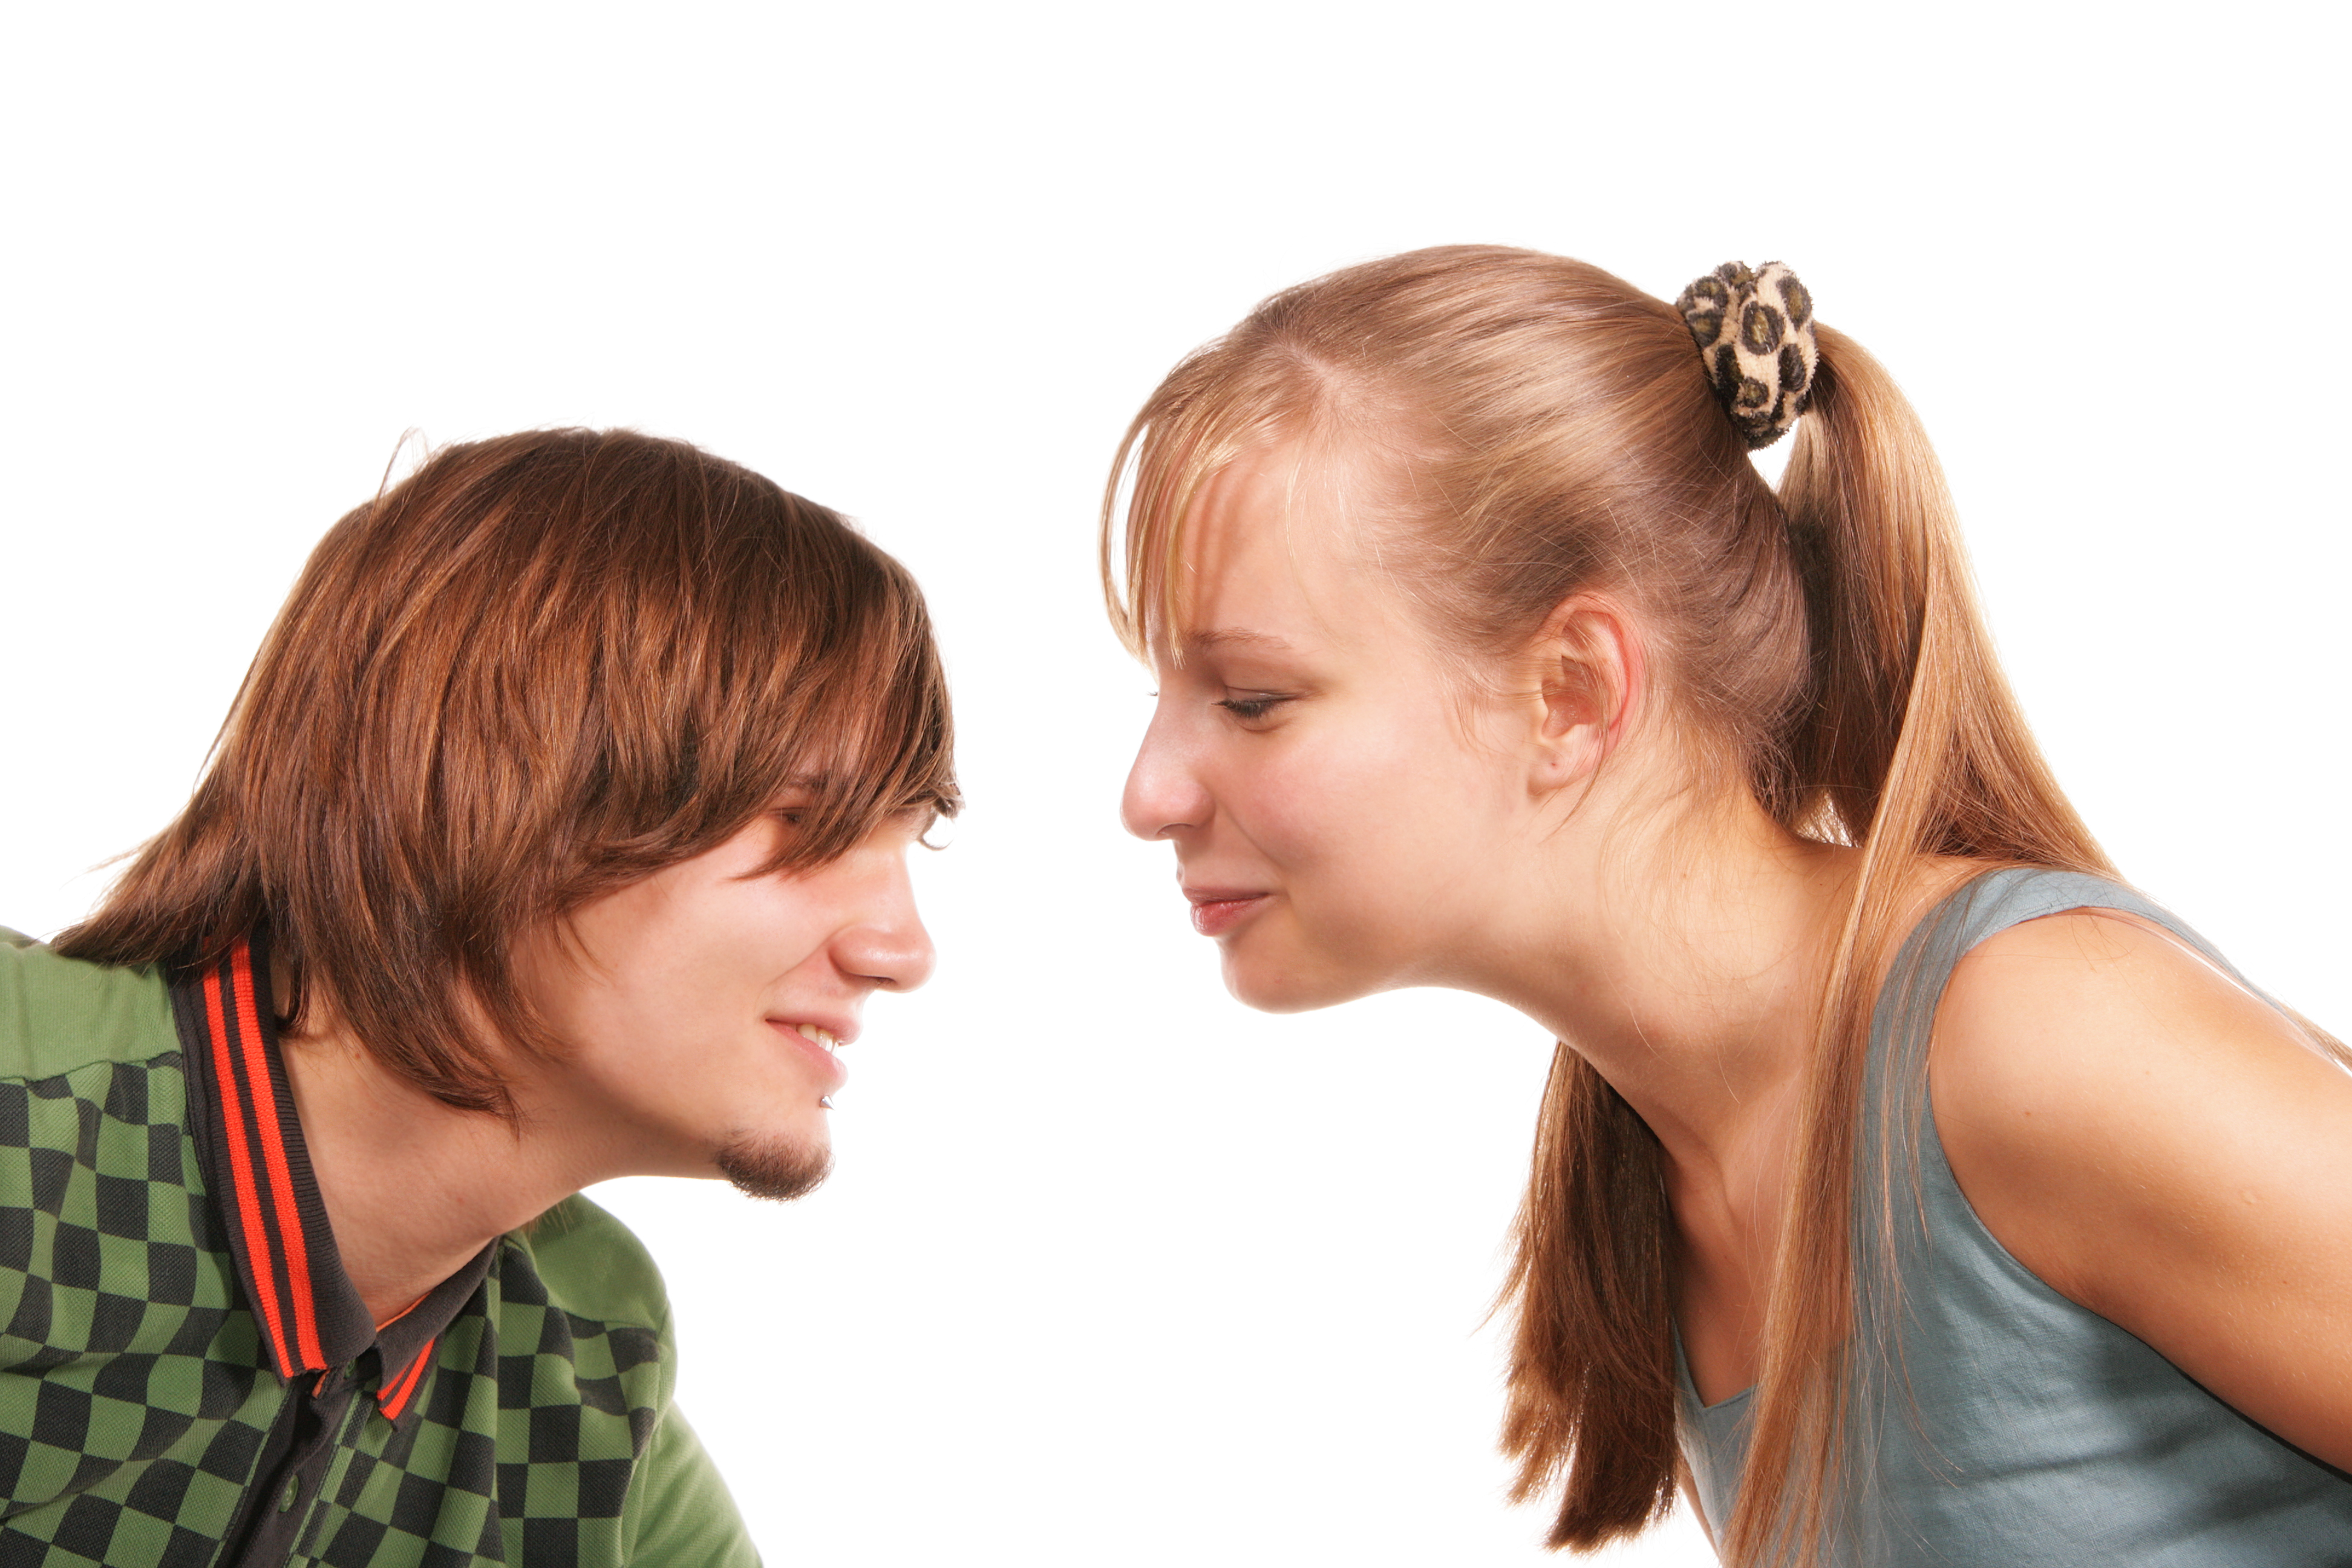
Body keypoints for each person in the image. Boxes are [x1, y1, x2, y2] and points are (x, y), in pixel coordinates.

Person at [1100, 249, 2352, 1564]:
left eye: (1253, 700)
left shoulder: (2029, 1039)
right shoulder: (1657, 1192)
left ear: (1572, 693)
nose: (1147, 793)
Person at [1, 428, 954, 1567]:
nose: (902, 950)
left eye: (906, 845)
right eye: (809, 824)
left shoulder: (588, 1364)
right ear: (504, 783)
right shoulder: (24, 1116)